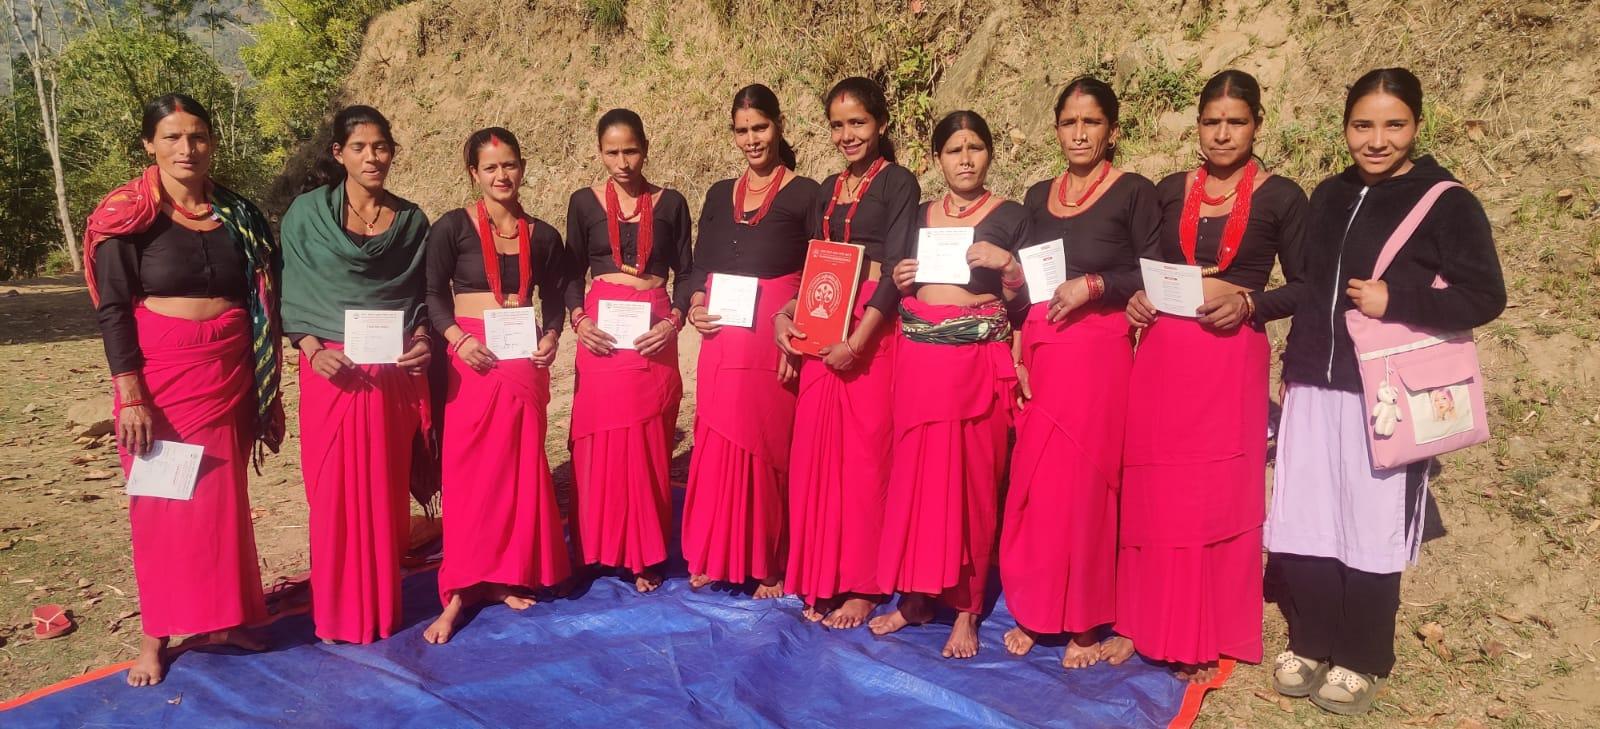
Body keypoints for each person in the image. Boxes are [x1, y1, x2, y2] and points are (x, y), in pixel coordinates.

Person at [1265, 68, 1504, 715]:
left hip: (1385, 393)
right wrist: (1292, 358)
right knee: (1309, 516)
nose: (1376, 140)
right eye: (1362, 125)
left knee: (1370, 522)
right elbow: (1311, 287)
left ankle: (1363, 654)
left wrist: (1395, 299)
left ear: (1416, 125)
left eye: (1393, 125)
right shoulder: (1330, 193)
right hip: (1314, 382)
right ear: (1345, 127)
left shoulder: (1446, 201)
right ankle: (1311, 639)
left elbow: (1485, 296)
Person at [1117, 70, 1308, 682]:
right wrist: (1137, 299)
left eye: (1236, 122)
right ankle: (1141, 619)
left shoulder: (1281, 197)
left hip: (1229, 357)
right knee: (1157, 491)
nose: (1222, 134)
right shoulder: (1169, 191)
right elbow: (1145, 269)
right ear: (1196, 125)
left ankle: (1202, 629)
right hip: (1164, 356)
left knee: (1210, 496)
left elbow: (1306, 285)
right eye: (1211, 122)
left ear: (1257, 125)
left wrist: (1250, 303)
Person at [86, 93, 282, 687]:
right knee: (163, 504)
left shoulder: (239, 216)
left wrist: (267, 390)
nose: (186, 148)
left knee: (222, 505)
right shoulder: (127, 215)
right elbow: (113, 308)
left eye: (196, 136)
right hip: (162, 379)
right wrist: (131, 394)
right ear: (150, 144)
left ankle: (224, 620)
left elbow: (262, 299)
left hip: (229, 372)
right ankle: (156, 635)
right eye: (171, 137)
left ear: (211, 142)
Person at [998, 76, 1160, 668]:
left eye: (1091, 122)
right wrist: (1017, 336)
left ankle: (1086, 619)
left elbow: (1154, 271)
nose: (1080, 133)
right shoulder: (1038, 196)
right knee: (1038, 484)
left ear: (1111, 130)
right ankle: (1038, 607)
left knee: (1086, 486)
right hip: (1044, 349)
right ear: (1056, 129)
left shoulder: (1134, 192)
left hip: (1097, 356)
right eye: (1069, 122)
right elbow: (1029, 285)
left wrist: (1095, 285)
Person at [871, 111, 1030, 658]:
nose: (965, 160)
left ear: (990, 154)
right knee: (918, 482)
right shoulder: (918, 214)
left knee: (972, 485)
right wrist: (900, 279)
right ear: (936, 158)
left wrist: (1007, 266)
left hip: (974, 364)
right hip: (920, 362)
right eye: (953, 150)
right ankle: (917, 598)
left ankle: (966, 609)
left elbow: (1028, 299)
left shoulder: (1012, 215)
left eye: (975, 148)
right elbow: (898, 279)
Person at [280, 105, 433, 644]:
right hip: (331, 371)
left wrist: (421, 339)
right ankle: (337, 613)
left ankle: (382, 607)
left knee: (384, 492)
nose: (372, 157)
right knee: (334, 495)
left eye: (381, 147)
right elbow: (292, 291)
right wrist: (309, 347)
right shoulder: (306, 216)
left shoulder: (411, 222)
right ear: (338, 153)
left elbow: (421, 298)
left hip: (390, 373)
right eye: (360, 147)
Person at [775, 76, 920, 629]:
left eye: (857, 122)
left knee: (864, 458)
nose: (847, 134)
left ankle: (862, 584)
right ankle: (821, 574)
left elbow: (897, 268)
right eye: (837, 125)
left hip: (871, 329)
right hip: (822, 323)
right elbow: (815, 262)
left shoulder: (899, 183)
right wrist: (787, 313)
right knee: (816, 454)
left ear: (880, 123)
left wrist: (859, 340)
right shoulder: (828, 188)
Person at [421, 128, 573, 643]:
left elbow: (555, 295)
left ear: (522, 167)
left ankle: (505, 575)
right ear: (474, 173)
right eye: (490, 167)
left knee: (516, 471)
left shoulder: (542, 235)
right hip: (472, 359)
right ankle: (460, 590)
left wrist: (551, 335)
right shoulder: (452, 228)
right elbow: (432, 294)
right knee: (469, 475)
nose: (501, 175)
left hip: (521, 360)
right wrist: (457, 339)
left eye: (509, 165)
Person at [681, 85, 820, 598]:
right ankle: (719, 553)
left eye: (760, 127)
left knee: (765, 443)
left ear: (778, 126)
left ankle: (768, 561)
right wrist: (696, 302)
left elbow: (820, 270)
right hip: (721, 335)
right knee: (717, 441)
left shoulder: (806, 194)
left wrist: (799, 337)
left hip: (773, 334)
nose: (752, 139)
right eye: (742, 131)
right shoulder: (720, 194)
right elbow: (698, 266)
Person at [564, 109, 691, 593]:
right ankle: (592, 549)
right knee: (596, 444)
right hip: (601, 336)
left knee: (647, 444)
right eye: (612, 152)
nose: (622, 162)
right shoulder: (584, 203)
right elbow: (569, 275)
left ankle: (644, 552)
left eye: (631, 151)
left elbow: (688, 272)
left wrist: (674, 321)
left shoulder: (671, 203)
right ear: (600, 153)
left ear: (646, 149)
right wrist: (579, 320)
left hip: (651, 334)